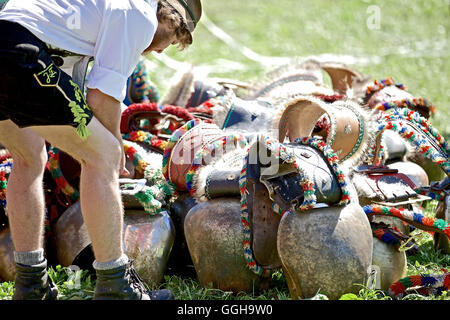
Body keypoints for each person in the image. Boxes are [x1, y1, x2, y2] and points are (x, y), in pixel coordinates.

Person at [0, 0, 202, 300]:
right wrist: (116, 149)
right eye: (173, 40)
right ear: (171, 19)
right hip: (19, 55)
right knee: (103, 156)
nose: (162, 50)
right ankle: (115, 286)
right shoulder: (138, 13)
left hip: (9, 42)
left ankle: (31, 284)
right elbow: (101, 98)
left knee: (29, 158)